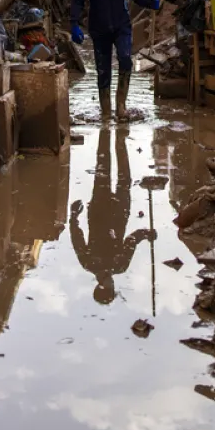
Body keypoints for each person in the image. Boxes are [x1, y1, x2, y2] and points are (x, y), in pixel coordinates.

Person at [70, 0, 160, 122]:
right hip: (99, 28)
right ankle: (105, 111)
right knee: (103, 69)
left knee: (125, 59)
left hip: (122, 25)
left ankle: (121, 106)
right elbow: (77, 0)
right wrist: (74, 24)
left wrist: (149, 2)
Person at [69, 125, 154, 304]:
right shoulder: (105, 265)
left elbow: (77, 238)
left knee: (109, 171)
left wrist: (74, 217)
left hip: (106, 211)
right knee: (109, 171)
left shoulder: (99, 264)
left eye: (110, 287)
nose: (111, 283)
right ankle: (114, 136)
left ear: (105, 286)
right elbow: (131, 240)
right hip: (112, 212)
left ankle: (109, 133)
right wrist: (145, 233)